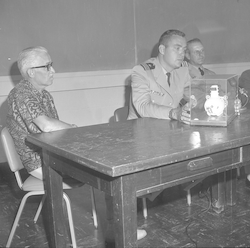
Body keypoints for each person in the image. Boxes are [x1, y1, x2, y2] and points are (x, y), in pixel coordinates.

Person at [6, 46, 77, 181]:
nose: (53, 71)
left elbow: (55, 133)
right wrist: (73, 128)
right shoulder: (21, 93)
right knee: (92, 173)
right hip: (38, 161)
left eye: (51, 65)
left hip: (50, 154)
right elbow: (47, 126)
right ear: (31, 72)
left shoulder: (45, 95)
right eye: (47, 66)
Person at [127, 29, 191, 123]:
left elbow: (190, 95)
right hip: (142, 129)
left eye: (184, 50)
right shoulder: (142, 71)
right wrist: (173, 113)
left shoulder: (182, 71)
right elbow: (143, 106)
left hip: (170, 128)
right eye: (177, 48)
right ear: (162, 50)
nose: (182, 54)